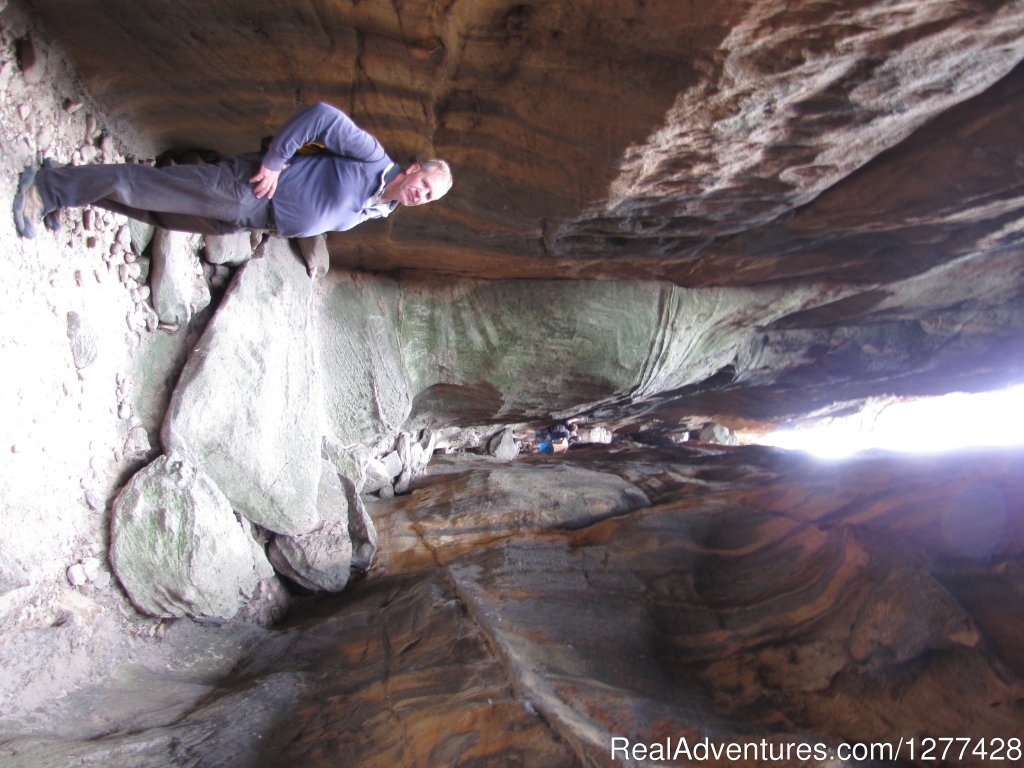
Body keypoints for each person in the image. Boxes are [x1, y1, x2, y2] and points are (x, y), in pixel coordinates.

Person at [13, 101, 452, 239]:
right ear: (414, 170)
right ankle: (46, 188)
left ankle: (70, 184)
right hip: (246, 190)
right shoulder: (373, 159)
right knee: (146, 188)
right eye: (425, 184)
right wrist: (276, 163)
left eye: (430, 197)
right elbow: (320, 117)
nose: (422, 195)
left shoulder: (378, 210)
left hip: (253, 219)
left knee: (158, 213)